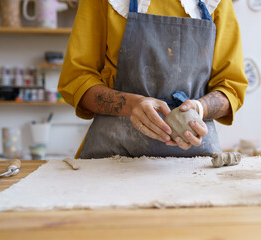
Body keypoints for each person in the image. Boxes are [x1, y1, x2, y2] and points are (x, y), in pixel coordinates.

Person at [58, 0, 248, 159]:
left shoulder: (216, 2)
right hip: (113, 156)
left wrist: (198, 109)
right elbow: (77, 79)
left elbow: (231, 88)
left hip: (196, 160)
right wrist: (133, 105)